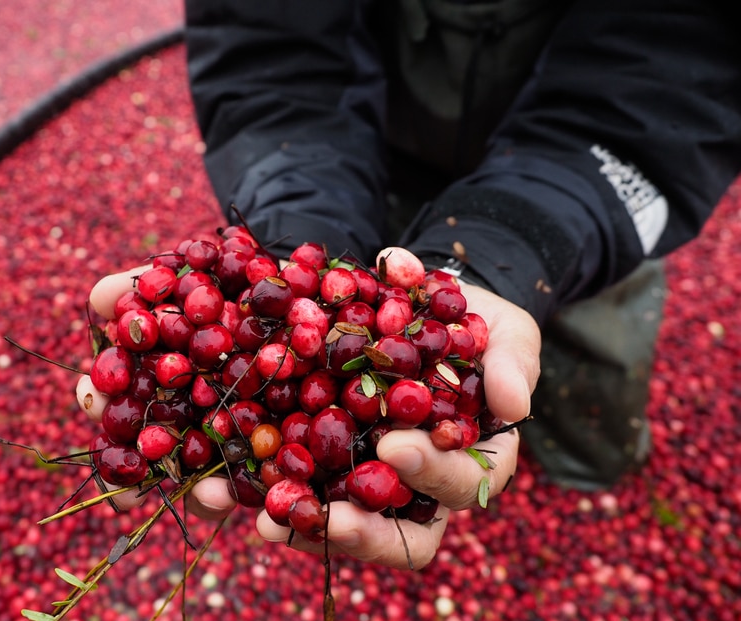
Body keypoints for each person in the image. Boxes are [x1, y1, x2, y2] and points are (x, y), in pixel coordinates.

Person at [79, 0, 741, 570]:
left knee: (584, 402)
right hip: (371, 151)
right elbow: (275, 57)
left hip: (584, 189)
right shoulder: (305, 332)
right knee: (436, 420)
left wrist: (518, 244)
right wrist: (292, 227)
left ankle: (587, 479)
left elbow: (680, 69)